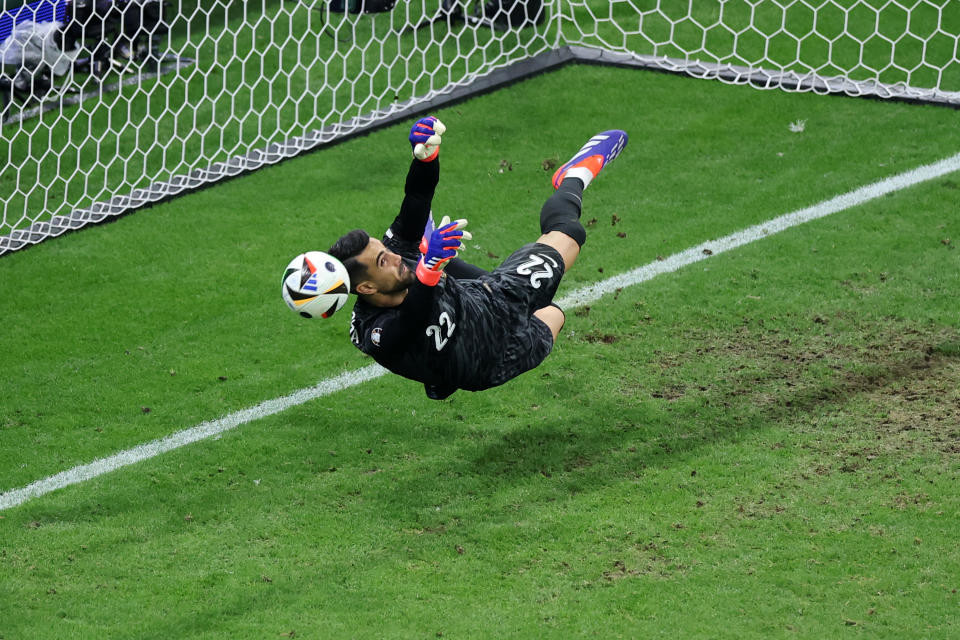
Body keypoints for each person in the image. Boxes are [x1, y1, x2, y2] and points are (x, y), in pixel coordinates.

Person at [327, 116, 627, 399]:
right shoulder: (371, 330)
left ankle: (574, 176)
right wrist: (429, 268)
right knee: (552, 314)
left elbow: (417, 196)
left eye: (386, 251)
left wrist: (426, 160)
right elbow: (408, 321)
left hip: (490, 299)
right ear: (366, 287)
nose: (394, 258)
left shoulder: (396, 255)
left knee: (569, 234)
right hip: (491, 360)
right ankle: (435, 265)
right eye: (382, 261)